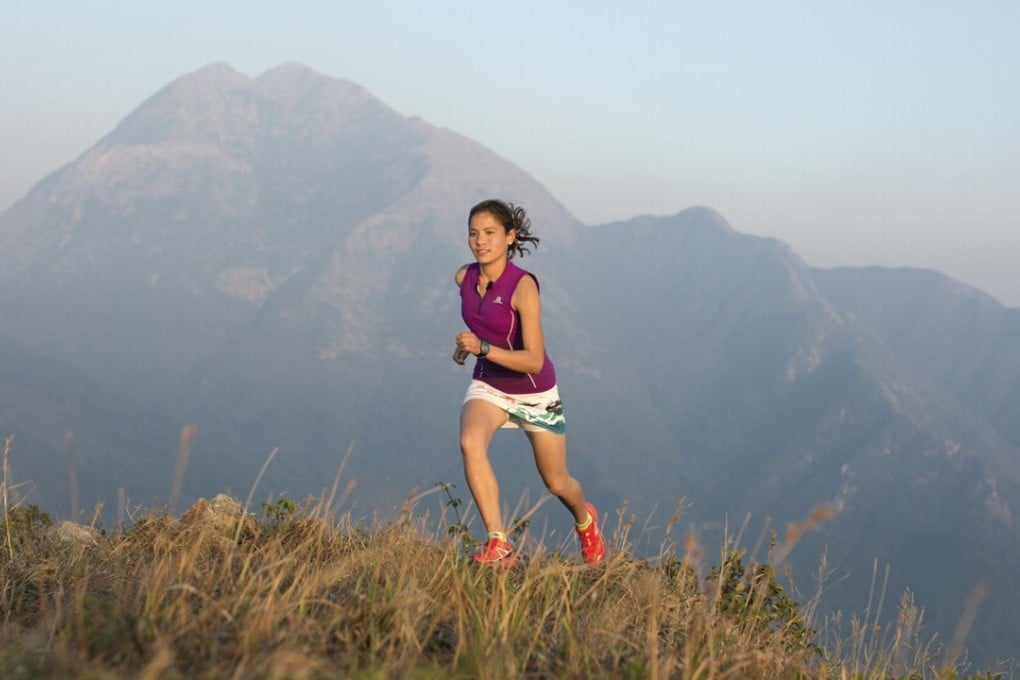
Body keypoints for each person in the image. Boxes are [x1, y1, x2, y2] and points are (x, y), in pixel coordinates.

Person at [453, 198, 606, 567]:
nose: (480, 241)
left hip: (535, 393)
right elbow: (483, 326)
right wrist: (467, 348)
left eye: (490, 233)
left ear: (510, 237)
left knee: (557, 483)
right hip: (490, 385)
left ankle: (586, 522)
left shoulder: (523, 287)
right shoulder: (464, 277)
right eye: (474, 233)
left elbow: (533, 359)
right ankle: (499, 543)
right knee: (470, 441)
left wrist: (483, 347)